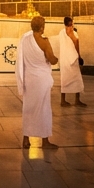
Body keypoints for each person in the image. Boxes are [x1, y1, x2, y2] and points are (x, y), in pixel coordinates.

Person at [16, 15, 58, 148]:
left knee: (28, 108)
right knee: (44, 108)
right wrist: (57, 58)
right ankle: (45, 141)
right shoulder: (44, 42)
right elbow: (52, 59)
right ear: (41, 28)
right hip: (41, 80)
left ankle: (26, 139)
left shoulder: (25, 40)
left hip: (29, 79)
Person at [59, 16, 86, 107]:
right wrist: (79, 56)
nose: (71, 26)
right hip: (68, 59)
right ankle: (67, 101)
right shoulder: (69, 33)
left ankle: (72, 100)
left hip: (68, 59)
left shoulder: (63, 33)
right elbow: (74, 43)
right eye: (70, 25)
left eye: (71, 25)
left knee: (74, 79)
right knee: (68, 80)